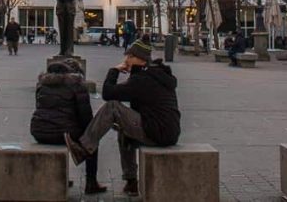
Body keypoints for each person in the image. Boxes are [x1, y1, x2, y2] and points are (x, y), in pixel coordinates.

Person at [64, 38, 181, 196]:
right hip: (166, 131)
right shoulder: (154, 74)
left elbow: (108, 93)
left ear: (140, 59)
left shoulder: (143, 80)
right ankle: (131, 182)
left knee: (112, 107)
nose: (126, 60)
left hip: (157, 131)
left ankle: (84, 148)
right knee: (123, 130)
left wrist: (114, 70)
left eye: (129, 56)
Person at [31, 60, 106, 195]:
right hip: (63, 133)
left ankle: (61, 177)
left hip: (38, 131)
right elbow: (85, 117)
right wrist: (88, 135)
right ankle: (91, 182)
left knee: (64, 133)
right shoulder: (77, 86)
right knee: (92, 143)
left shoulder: (42, 85)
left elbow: (40, 108)